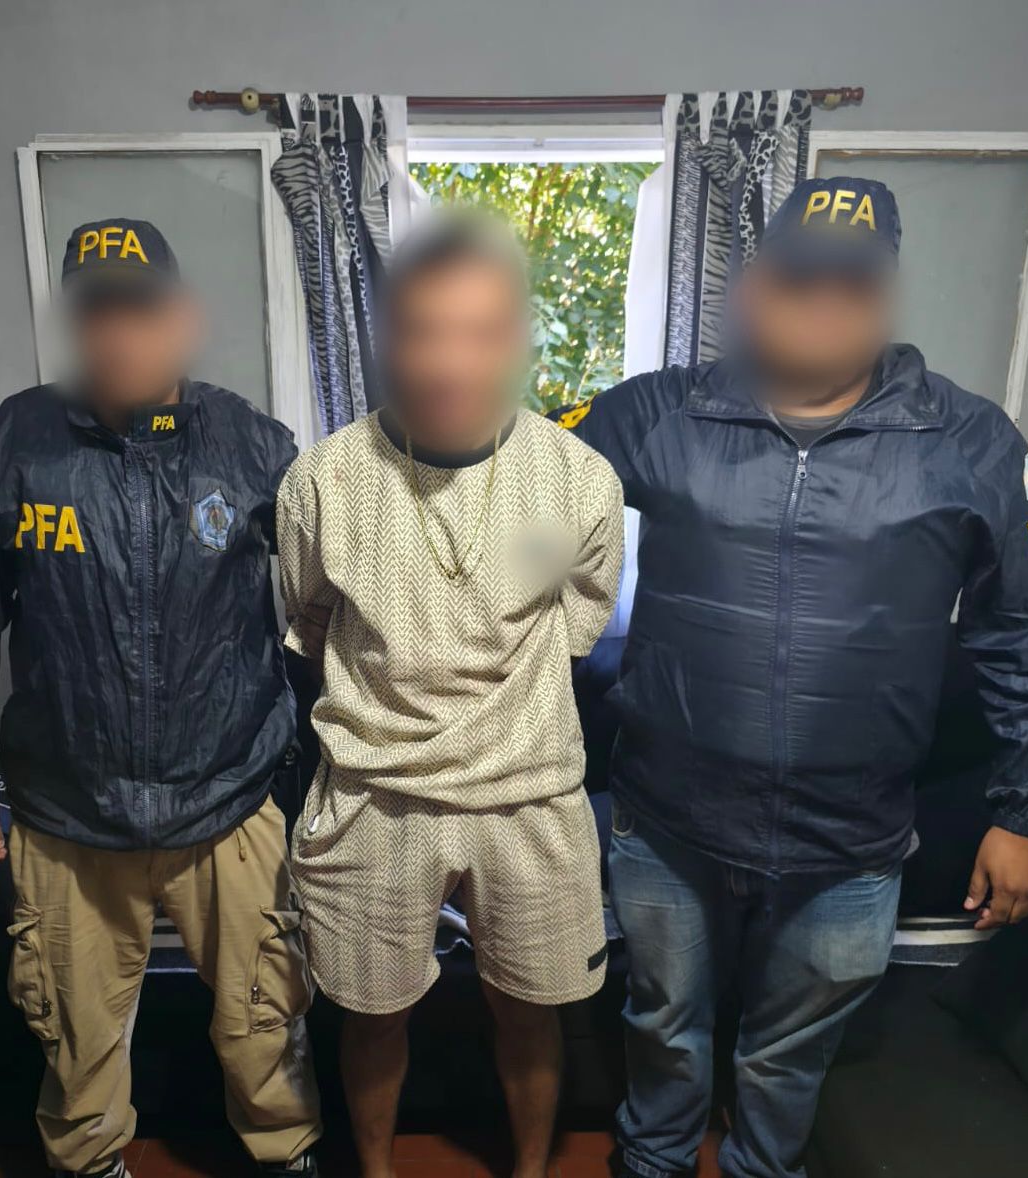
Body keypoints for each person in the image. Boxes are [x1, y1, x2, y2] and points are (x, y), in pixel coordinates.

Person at [556, 177, 1028, 1178]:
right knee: (661, 1020)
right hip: (669, 821)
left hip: (850, 841)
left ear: (884, 292)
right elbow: (497, 481)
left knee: (788, 1053)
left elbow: (1025, 635)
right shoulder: (660, 410)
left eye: (851, 284)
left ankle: (761, 1168)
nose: (824, 304)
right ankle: (651, 1159)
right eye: (799, 280)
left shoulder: (976, 445)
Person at [0, 218, 321, 1178]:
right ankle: (90, 1161)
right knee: (75, 1036)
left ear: (179, 319)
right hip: (69, 811)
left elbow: (322, 610)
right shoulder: (14, 449)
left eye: (140, 311)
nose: (119, 334)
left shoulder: (256, 448)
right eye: (96, 312)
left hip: (228, 800)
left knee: (264, 1020)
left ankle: (285, 1155)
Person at [276, 212, 624, 1178]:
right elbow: (308, 622)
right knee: (370, 1015)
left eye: (479, 333)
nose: (450, 361)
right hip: (376, 795)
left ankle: (531, 1171)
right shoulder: (322, 480)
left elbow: (579, 621)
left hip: (530, 791)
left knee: (532, 1010)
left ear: (516, 342)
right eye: (425, 331)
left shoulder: (579, 479)